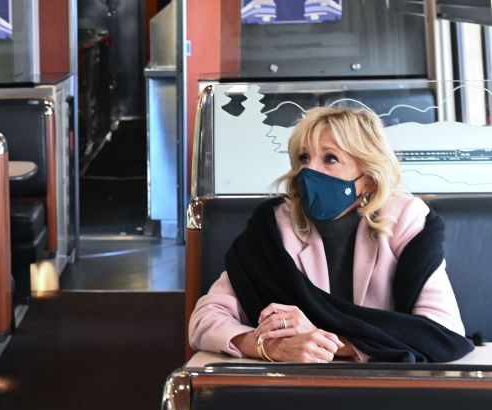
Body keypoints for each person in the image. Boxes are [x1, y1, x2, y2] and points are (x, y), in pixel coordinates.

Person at [189, 106, 472, 363]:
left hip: (385, 385)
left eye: (330, 158)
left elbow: (442, 332)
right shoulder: (272, 228)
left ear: (369, 179)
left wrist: (327, 342)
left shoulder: (404, 218)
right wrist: (267, 347)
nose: (309, 170)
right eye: (303, 158)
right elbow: (204, 320)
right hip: (295, 388)